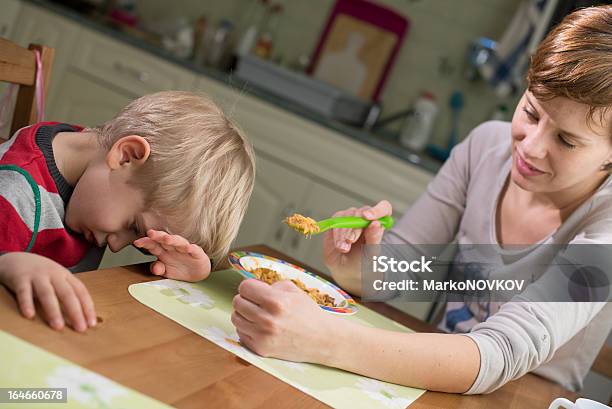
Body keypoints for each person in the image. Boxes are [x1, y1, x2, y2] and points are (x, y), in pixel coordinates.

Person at [231, 5, 612, 394]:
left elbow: (500, 354)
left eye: (565, 140)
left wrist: (324, 341)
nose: (530, 148)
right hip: (432, 380)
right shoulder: (486, 147)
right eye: (531, 113)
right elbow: (402, 269)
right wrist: (361, 267)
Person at [0, 91, 255, 333]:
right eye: (134, 227)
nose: (117, 246)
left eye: (142, 244)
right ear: (127, 156)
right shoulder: (16, 191)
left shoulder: (91, 160)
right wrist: (7, 263)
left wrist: (184, 268)